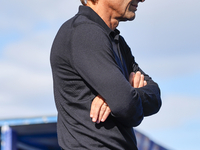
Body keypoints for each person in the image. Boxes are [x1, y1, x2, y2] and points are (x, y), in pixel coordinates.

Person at [50, 0, 162, 149]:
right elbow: (126, 106)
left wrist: (127, 94)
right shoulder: (84, 32)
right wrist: (122, 96)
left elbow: (155, 96)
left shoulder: (116, 41)